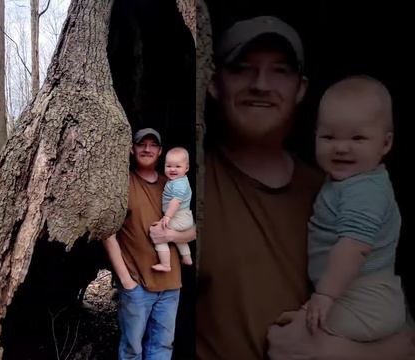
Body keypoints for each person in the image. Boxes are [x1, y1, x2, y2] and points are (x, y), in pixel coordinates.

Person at [193, 15, 415, 360]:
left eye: (280, 70)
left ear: (301, 89)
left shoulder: (338, 191)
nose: (261, 84)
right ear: (213, 83)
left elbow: (403, 340)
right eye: (242, 68)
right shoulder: (191, 187)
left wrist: (331, 352)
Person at [304, 75, 405, 341]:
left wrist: (324, 295)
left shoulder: (365, 190)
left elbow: (354, 247)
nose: (341, 148)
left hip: (365, 299)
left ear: (385, 143)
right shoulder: (347, 181)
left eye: (358, 138)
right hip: (353, 295)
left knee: (298, 338)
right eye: (328, 137)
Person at [102, 128, 196, 359]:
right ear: (132, 149)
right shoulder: (122, 185)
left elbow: (192, 231)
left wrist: (170, 236)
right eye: (141, 144)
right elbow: (106, 232)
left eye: (153, 144)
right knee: (132, 351)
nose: (147, 149)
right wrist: (126, 280)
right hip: (137, 285)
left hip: (171, 286)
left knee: (162, 349)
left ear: (160, 151)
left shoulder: (173, 185)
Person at [152, 147, 194, 272]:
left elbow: (176, 202)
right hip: (184, 217)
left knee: (159, 234)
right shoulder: (177, 181)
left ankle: (165, 264)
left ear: (186, 168)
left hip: (179, 216)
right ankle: (187, 258)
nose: (172, 169)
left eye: (177, 166)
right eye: (169, 166)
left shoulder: (179, 184)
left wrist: (167, 217)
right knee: (180, 240)